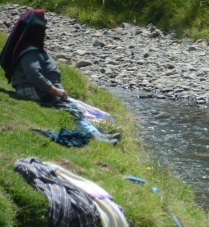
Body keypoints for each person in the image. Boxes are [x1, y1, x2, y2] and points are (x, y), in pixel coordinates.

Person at [0, 8, 119, 143]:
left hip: (41, 90)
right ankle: (95, 137)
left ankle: (97, 134)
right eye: (42, 28)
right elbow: (34, 76)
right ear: (34, 31)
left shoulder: (32, 49)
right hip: (33, 90)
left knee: (75, 107)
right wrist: (55, 90)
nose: (44, 32)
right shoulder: (29, 53)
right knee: (70, 109)